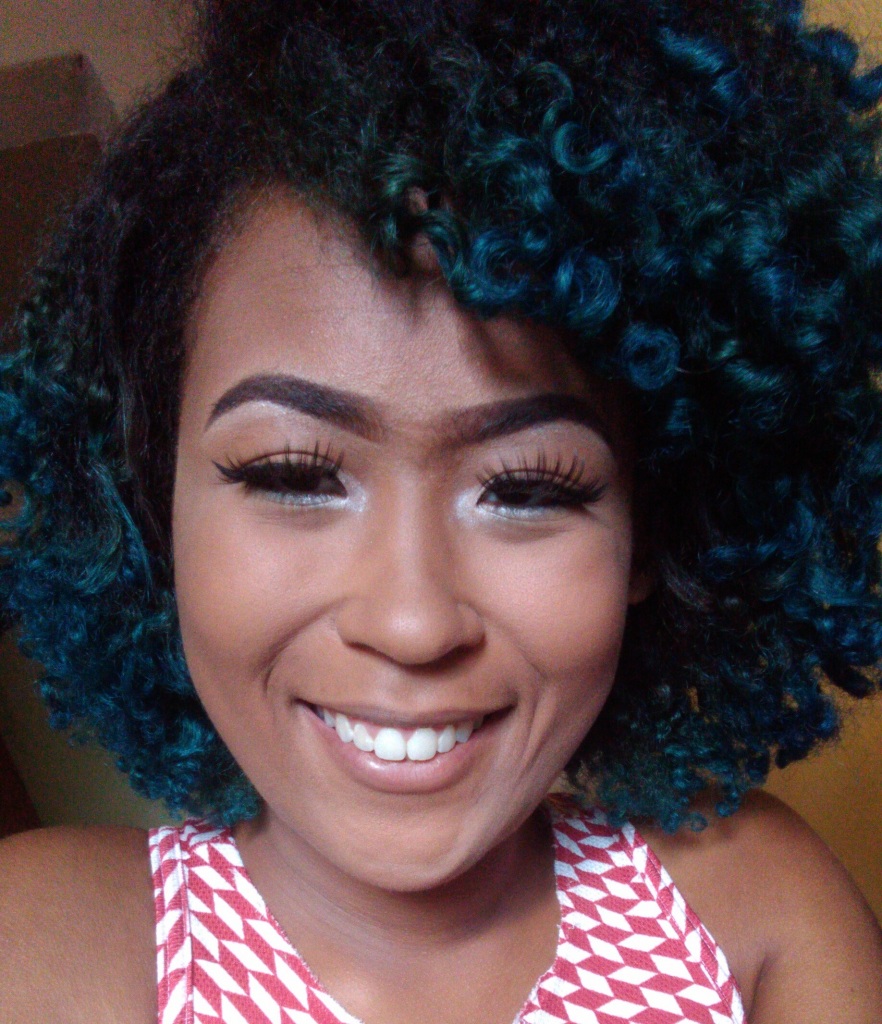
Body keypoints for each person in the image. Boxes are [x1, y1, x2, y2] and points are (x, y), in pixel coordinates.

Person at [2, 0, 882, 1020]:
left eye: (528, 488)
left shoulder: (752, 909)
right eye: (292, 476)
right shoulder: (40, 946)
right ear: (155, 503)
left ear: (651, 529)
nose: (412, 622)